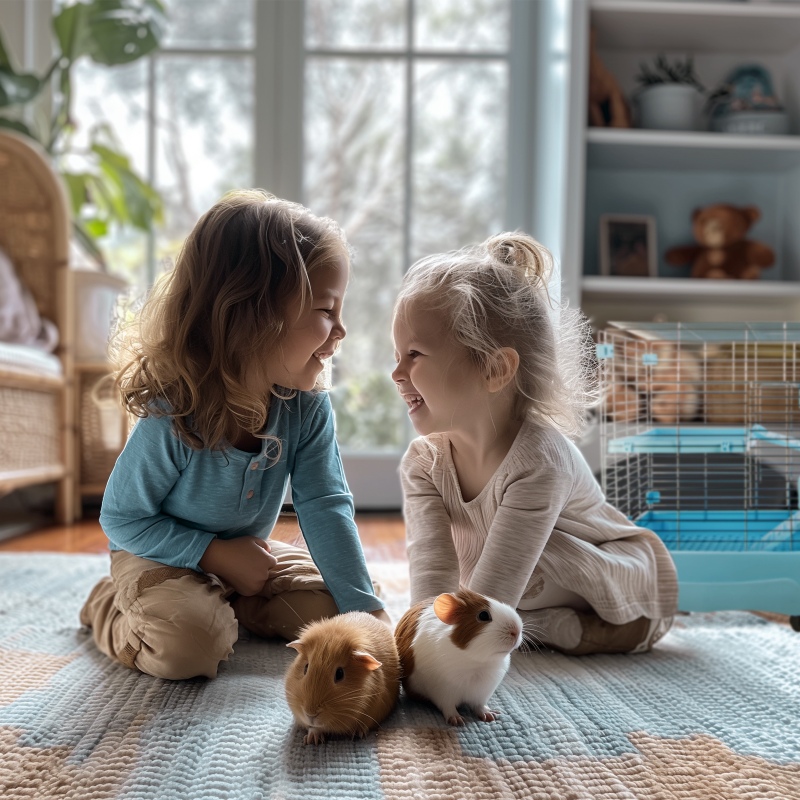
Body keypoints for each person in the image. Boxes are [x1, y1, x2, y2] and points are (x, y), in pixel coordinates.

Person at [80, 189, 389, 681]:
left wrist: (365, 615)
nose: (341, 330)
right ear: (255, 315)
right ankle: (111, 605)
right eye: (327, 310)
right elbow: (122, 517)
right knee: (188, 651)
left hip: (244, 561)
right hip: (156, 552)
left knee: (341, 604)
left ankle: (230, 604)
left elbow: (325, 504)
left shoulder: (305, 408)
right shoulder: (175, 411)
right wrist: (214, 554)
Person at [391, 233, 678, 655]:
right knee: (479, 587)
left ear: (495, 369)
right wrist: (415, 646)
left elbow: (490, 596)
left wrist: (446, 657)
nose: (397, 372)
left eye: (414, 354)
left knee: (530, 563)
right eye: (396, 354)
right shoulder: (423, 462)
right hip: (527, 589)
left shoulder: (539, 460)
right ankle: (551, 629)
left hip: (618, 577)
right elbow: (431, 573)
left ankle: (618, 630)